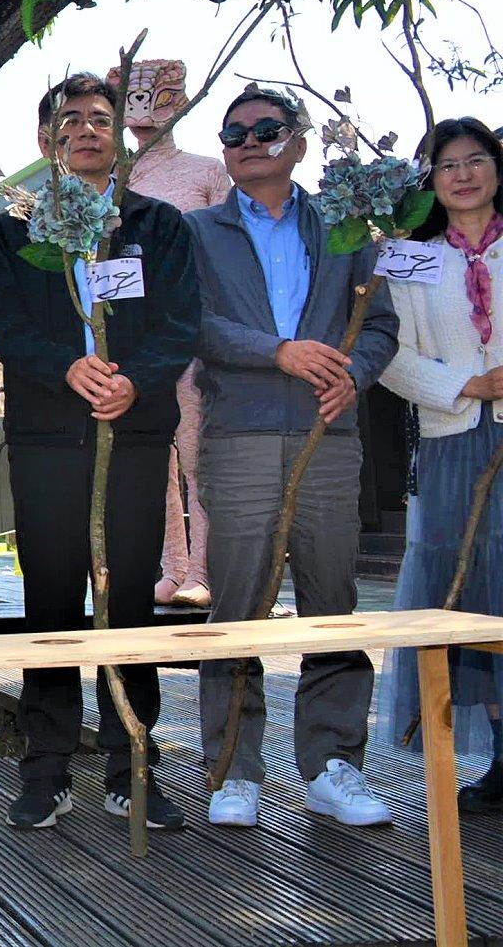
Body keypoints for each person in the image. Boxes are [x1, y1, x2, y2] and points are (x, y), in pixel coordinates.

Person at [0, 74, 199, 833]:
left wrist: (135, 381)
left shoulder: (157, 225)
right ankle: (45, 767)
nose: (86, 130)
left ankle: (132, 762)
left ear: (118, 133)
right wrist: (65, 367)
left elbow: (181, 321)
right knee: (50, 600)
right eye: (69, 120)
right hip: (47, 439)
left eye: (101, 118)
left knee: (129, 597)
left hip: (132, 437)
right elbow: (5, 322)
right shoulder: (15, 230)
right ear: (46, 141)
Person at [188, 85, 399, 828]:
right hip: (238, 437)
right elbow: (190, 322)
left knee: (332, 602)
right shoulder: (197, 231)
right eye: (234, 132)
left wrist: (353, 375)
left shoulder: (345, 228)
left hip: (329, 438)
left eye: (266, 128)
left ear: (299, 143)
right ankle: (232, 769)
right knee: (237, 604)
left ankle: (335, 766)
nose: (248, 141)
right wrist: (276, 351)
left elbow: (380, 325)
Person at [375, 119, 503, 809]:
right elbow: (388, 353)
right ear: (430, 182)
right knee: (468, 587)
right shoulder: (411, 259)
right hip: (455, 442)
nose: (463, 175)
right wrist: (467, 384)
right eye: (447, 165)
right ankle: (497, 757)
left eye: (474, 160)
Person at [110, 58, 233, 608]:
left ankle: (204, 568)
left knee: (198, 453)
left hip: (194, 331)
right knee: (150, 459)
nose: (142, 113)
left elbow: (225, 251)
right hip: (135, 340)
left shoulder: (207, 171)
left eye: (155, 98)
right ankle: (172, 565)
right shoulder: (116, 178)